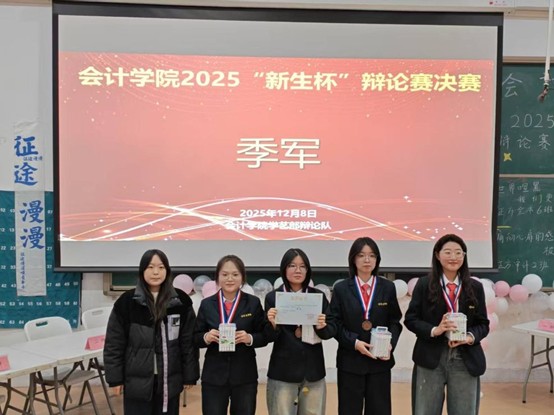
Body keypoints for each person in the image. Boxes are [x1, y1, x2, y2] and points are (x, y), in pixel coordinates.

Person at [104, 249, 199, 415]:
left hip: (169, 379)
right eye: (150, 267)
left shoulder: (181, 301)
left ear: (167, 271)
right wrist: (115, 379)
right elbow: (114, 343)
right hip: (136, 382)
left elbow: (188, 343)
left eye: (161, 267)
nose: (156, 272)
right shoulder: (127, 302)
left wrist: (189, 374)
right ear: (142, 270)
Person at [404, 234, 489, 415]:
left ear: (464, 256)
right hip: (430, 357)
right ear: (437, 255)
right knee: (425, 410)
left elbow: (483, 324)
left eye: (458, 252)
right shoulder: (424, 284)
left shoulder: (475, 287)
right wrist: (435, 330)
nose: (453, 257)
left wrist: (469, 337)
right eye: (448, 252)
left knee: (464, 411)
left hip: (465, 358)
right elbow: (411, 319)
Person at [329, 237, 403, 415]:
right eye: (361, 255)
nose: (367, 260)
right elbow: (335, 323)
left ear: (377, 260)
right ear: (353, 259)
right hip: (350, 362)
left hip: (380, 362)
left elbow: (395, 321)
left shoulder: (387, 287)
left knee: (379, 410)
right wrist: (354, 343)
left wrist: (390, 343)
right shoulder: (341, 289)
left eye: (372, 255)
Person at [193, 254, 269, 415]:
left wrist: (249, 338)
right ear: (217, 277)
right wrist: (206, 337)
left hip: (245, 376)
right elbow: (195, 337)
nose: (230, 279)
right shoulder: (207, 304)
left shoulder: (253, 303)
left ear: (242, 277)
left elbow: (265, 335)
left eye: (235, 274)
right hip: (214, 376)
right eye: (225, 274)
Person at [265, 248, 336, 415]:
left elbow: (331, 330)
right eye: (292, 265)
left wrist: (322, 327)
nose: (298, 270)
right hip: (282, 371)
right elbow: (268, 336)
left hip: (313, 371)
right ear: (284, 269)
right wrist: (272, 324)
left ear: (308, 270)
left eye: (302, 266)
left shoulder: (318, 296)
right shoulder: (273, 297)